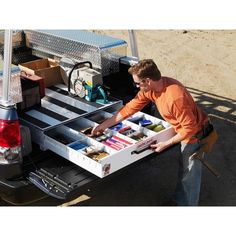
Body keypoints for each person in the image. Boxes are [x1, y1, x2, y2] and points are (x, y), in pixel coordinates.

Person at [91, 59, 211, 206]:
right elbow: (130, 108)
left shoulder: (174, 98)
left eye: (137, 83)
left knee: (189, 172)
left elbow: (190, 129)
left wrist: (166, 143)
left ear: (147, 81)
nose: (136, 86)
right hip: (183, 126)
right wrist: (104, 125)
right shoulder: (151, 89)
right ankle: (180, 200)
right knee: (184, 167)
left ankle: (186, 205)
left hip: (195, 134)